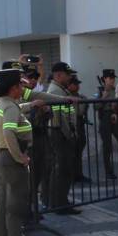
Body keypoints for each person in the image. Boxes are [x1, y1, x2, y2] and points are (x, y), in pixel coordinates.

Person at [0, 69, 45, 236]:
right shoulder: (11, 107)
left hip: (0, 158)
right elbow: (9, 133)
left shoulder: (1, 104)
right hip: (12, 160)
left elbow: (16, 110)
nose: (24, 87)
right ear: (13, 88)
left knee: (2, 208)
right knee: (16, 208)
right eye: (21, 85)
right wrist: (20, 157)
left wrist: (32, 104)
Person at [42, 62, 80, 214]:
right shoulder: (55, 91)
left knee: (64, 169)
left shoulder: (60, 90)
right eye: (67, 74)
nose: (70, 77)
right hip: (59, 132)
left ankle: (60, 201)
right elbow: (62, 117)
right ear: (58, 75)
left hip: (61, 132)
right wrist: (70, 134)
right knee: (61, 168)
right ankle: (59, 204)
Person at [97, 69, 118, 179]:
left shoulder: (116, 90)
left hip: (114, 117)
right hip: (104, 119)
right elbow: (96, 107)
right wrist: (103, 96)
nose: (112, 80)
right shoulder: (100, 91)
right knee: (107, 146)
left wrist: (115, 111)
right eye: (110, 78)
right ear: (104, 79)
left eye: (113, 78)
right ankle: (108, 170)